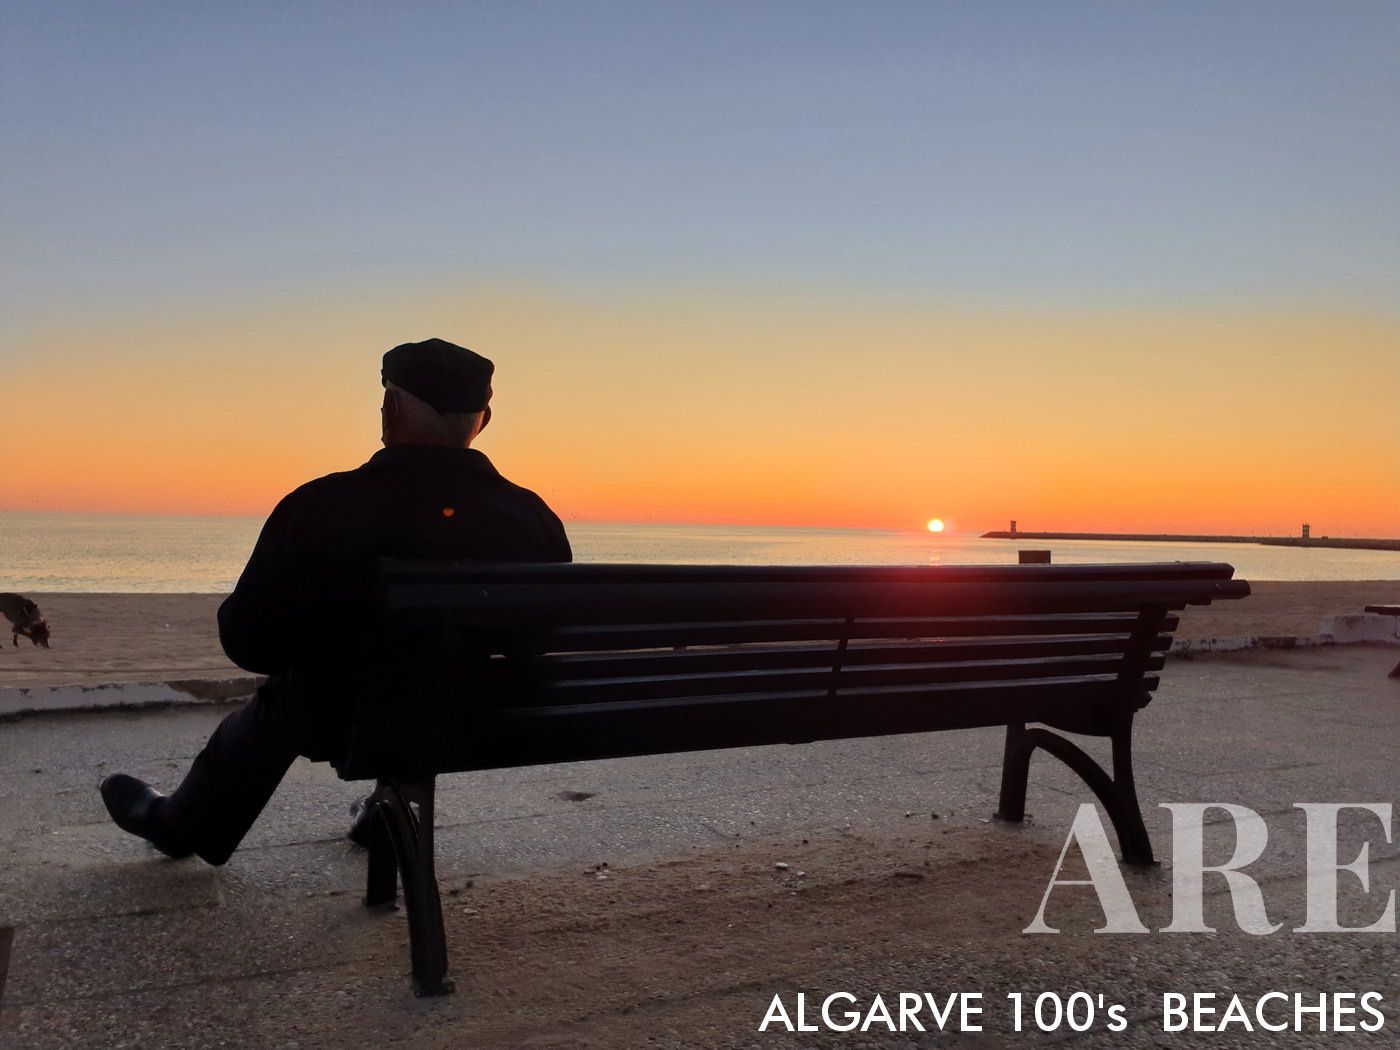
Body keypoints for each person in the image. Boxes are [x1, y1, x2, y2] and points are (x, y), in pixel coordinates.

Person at [100, 338, 571, 864]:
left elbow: (251, 646)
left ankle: (181, 825)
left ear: (390, 409)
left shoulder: (323, 506)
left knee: (293, 694)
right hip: (477, 715)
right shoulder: (530, 517)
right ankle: (386, 808)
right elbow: (542, 639)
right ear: (483, 419)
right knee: (420, 676)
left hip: (346, 720)